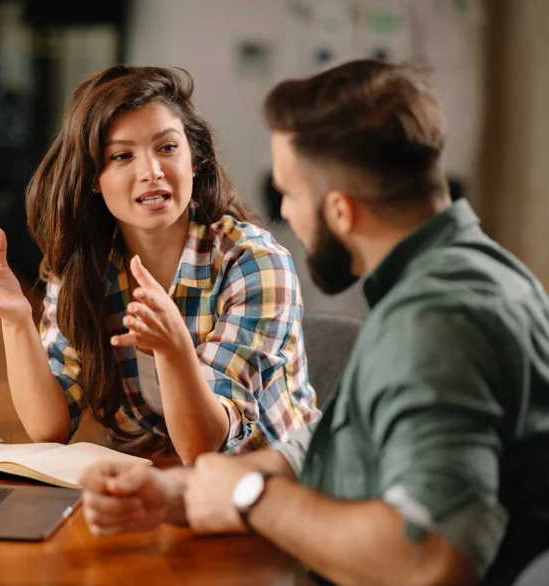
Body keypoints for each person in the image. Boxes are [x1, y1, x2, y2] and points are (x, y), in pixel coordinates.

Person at [77, 59, 549, 586]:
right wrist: (182, 492)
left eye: (291, 194)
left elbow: (429, 559)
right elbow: (340, 443)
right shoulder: (475, 274)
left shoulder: (434, 325)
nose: (285, 212)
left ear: (341, 211)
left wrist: (249, 497)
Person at [0, 65, 318, 463]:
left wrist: (174, 351)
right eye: (121, 155)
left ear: (196, 159)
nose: (151, 171)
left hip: (273, 487)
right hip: (164, 477)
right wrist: (17, 321)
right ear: (91, 179)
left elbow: (204, 446)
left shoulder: (254, 263)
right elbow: (48, 428)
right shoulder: (87, 266)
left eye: (167, 148)